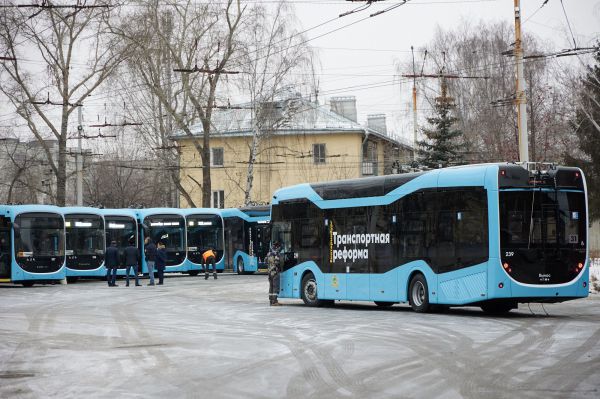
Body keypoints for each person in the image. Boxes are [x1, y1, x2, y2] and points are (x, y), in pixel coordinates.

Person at [266, 241, 282, 306]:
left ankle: (271, 301)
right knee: (275, 287)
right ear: (277, 246)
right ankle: (275, 301)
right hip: (275, 272)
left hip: (269, 273)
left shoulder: (268, 253)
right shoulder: (276, 253)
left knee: (271, 287)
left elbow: (265, 261)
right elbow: (277, 263)